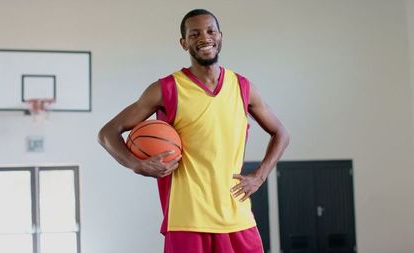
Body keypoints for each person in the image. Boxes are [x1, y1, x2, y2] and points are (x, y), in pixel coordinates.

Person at [98, 9, 290, 253]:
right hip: (186, 219)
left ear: (220, 36)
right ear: (183, 42)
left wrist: (260, 176)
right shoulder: (166, 89)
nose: (204, 37)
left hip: (236, 216)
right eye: (195, 33)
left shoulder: (243, 87)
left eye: (210, 31)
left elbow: (281, 133)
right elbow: (108, 133)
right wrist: (136, 164)